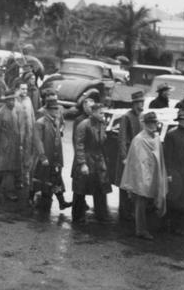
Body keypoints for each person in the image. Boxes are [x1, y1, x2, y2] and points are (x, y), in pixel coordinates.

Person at [120, 112, 168, 240]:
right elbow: (136, 163)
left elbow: (160, 158)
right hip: (142, 177)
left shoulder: (156, 138)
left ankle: (149, 225)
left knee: (153, 201)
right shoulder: (139, 140)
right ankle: (140, 229)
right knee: (141, 202)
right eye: (150, 123)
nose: (153, 126)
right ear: (145, 124)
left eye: (154, 123)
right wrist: (142, 180)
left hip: (154, 174)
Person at [72, 103, 112, 223]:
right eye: (100, 113)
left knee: (101, 188)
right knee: (81, 189)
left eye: (103, 113)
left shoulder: (101, 124)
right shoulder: (84, 125)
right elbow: (79, 145)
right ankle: (77, 216)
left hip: (98, 160)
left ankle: (102, 215)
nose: (103, 115)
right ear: (93, 112)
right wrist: (82, 163)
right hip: (86, 159)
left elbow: (103, 142)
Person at [32, 92, 72, 211]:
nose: (56, 111)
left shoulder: (57, 118)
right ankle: (35, 198)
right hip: (46, 154)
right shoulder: (40, 122)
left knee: (56, 177)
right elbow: (37, 140)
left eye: (57, 109)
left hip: (56, 155)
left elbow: (62, 125)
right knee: (41, 178)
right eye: (54, 109)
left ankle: (61, 201)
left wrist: (60, 130)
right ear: (47, 110)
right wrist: (42, 156)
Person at [115, 91, 145, 221]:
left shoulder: (141, 117)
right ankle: (124, 212)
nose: (141, 105)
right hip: (128, 156)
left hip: (137, 155)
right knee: (124, 184)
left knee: (134, 184)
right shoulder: (126, 117)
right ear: (133, 104)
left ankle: (131, 211)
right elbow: (121, 139)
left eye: (142, 102)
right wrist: (124, 157)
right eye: (139, 103)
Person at [0, 90, 21, 201]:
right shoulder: (1, 113)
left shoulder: (15, 111)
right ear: (6, 101)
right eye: (10, 100)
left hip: (14, 144)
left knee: (9, 168)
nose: (12, 102)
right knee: (4, 168)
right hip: (4, 144)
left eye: (13, 99)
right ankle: (8, 191)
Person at [15, 80, 36, 189]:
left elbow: (32, 115)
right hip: (18, 133)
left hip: (29, 132)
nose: (25, 91)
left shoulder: (28, 100)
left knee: (28, 154)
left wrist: (34, 130)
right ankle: (18, 178)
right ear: (17, 89)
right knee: (18, 155)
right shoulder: (14, 101)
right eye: (22, 89)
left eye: (26, 89)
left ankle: (26, 175)